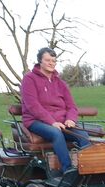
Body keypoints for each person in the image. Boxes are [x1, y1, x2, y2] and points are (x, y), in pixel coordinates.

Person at [21, 47, 90, 180]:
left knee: (83, 135)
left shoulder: (61, 83)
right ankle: (68, 171)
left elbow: (71, 106)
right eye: (48, 60)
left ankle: (88, 169)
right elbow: (32, 105)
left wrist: (71, 119)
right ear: (40, 61)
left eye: (54, 60)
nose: (51, 63)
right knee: (56, 133)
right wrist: (52, 122)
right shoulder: (29, 79)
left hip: (62, 122)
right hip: (36, 121)